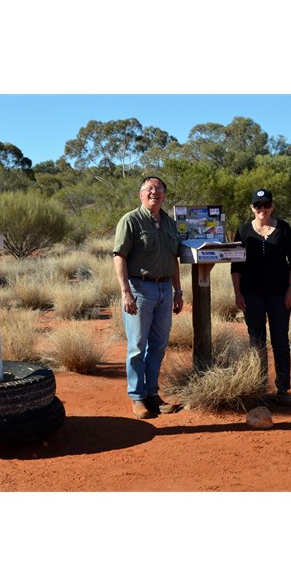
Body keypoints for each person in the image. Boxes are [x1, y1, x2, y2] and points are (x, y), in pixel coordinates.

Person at [113, 176, 184, 419]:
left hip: (165, 289)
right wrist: (126, 292)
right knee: (136, 347)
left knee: (158, 346)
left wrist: (178, 291)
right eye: (149, 189)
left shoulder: (170, 223)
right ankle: (137, 397)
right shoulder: (130, 220)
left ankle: (152, 394)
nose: (154, 192)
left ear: (164, 195)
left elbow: (174, 259)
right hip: (140, 290)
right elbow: (119, 256)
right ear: (141, 194)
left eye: (159, 189)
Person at [231, 188, 291, 406]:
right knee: (256, 340)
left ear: (272, 206)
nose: (263, 209)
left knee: (280, 340)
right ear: (252, 208)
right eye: (258, 205)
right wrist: (238, 293)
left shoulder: (284, 229)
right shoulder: (243, 231)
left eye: (266, 205)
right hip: (252, 295)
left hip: (280, 295)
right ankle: (258, 386)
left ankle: (282, 388)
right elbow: (236, 266)